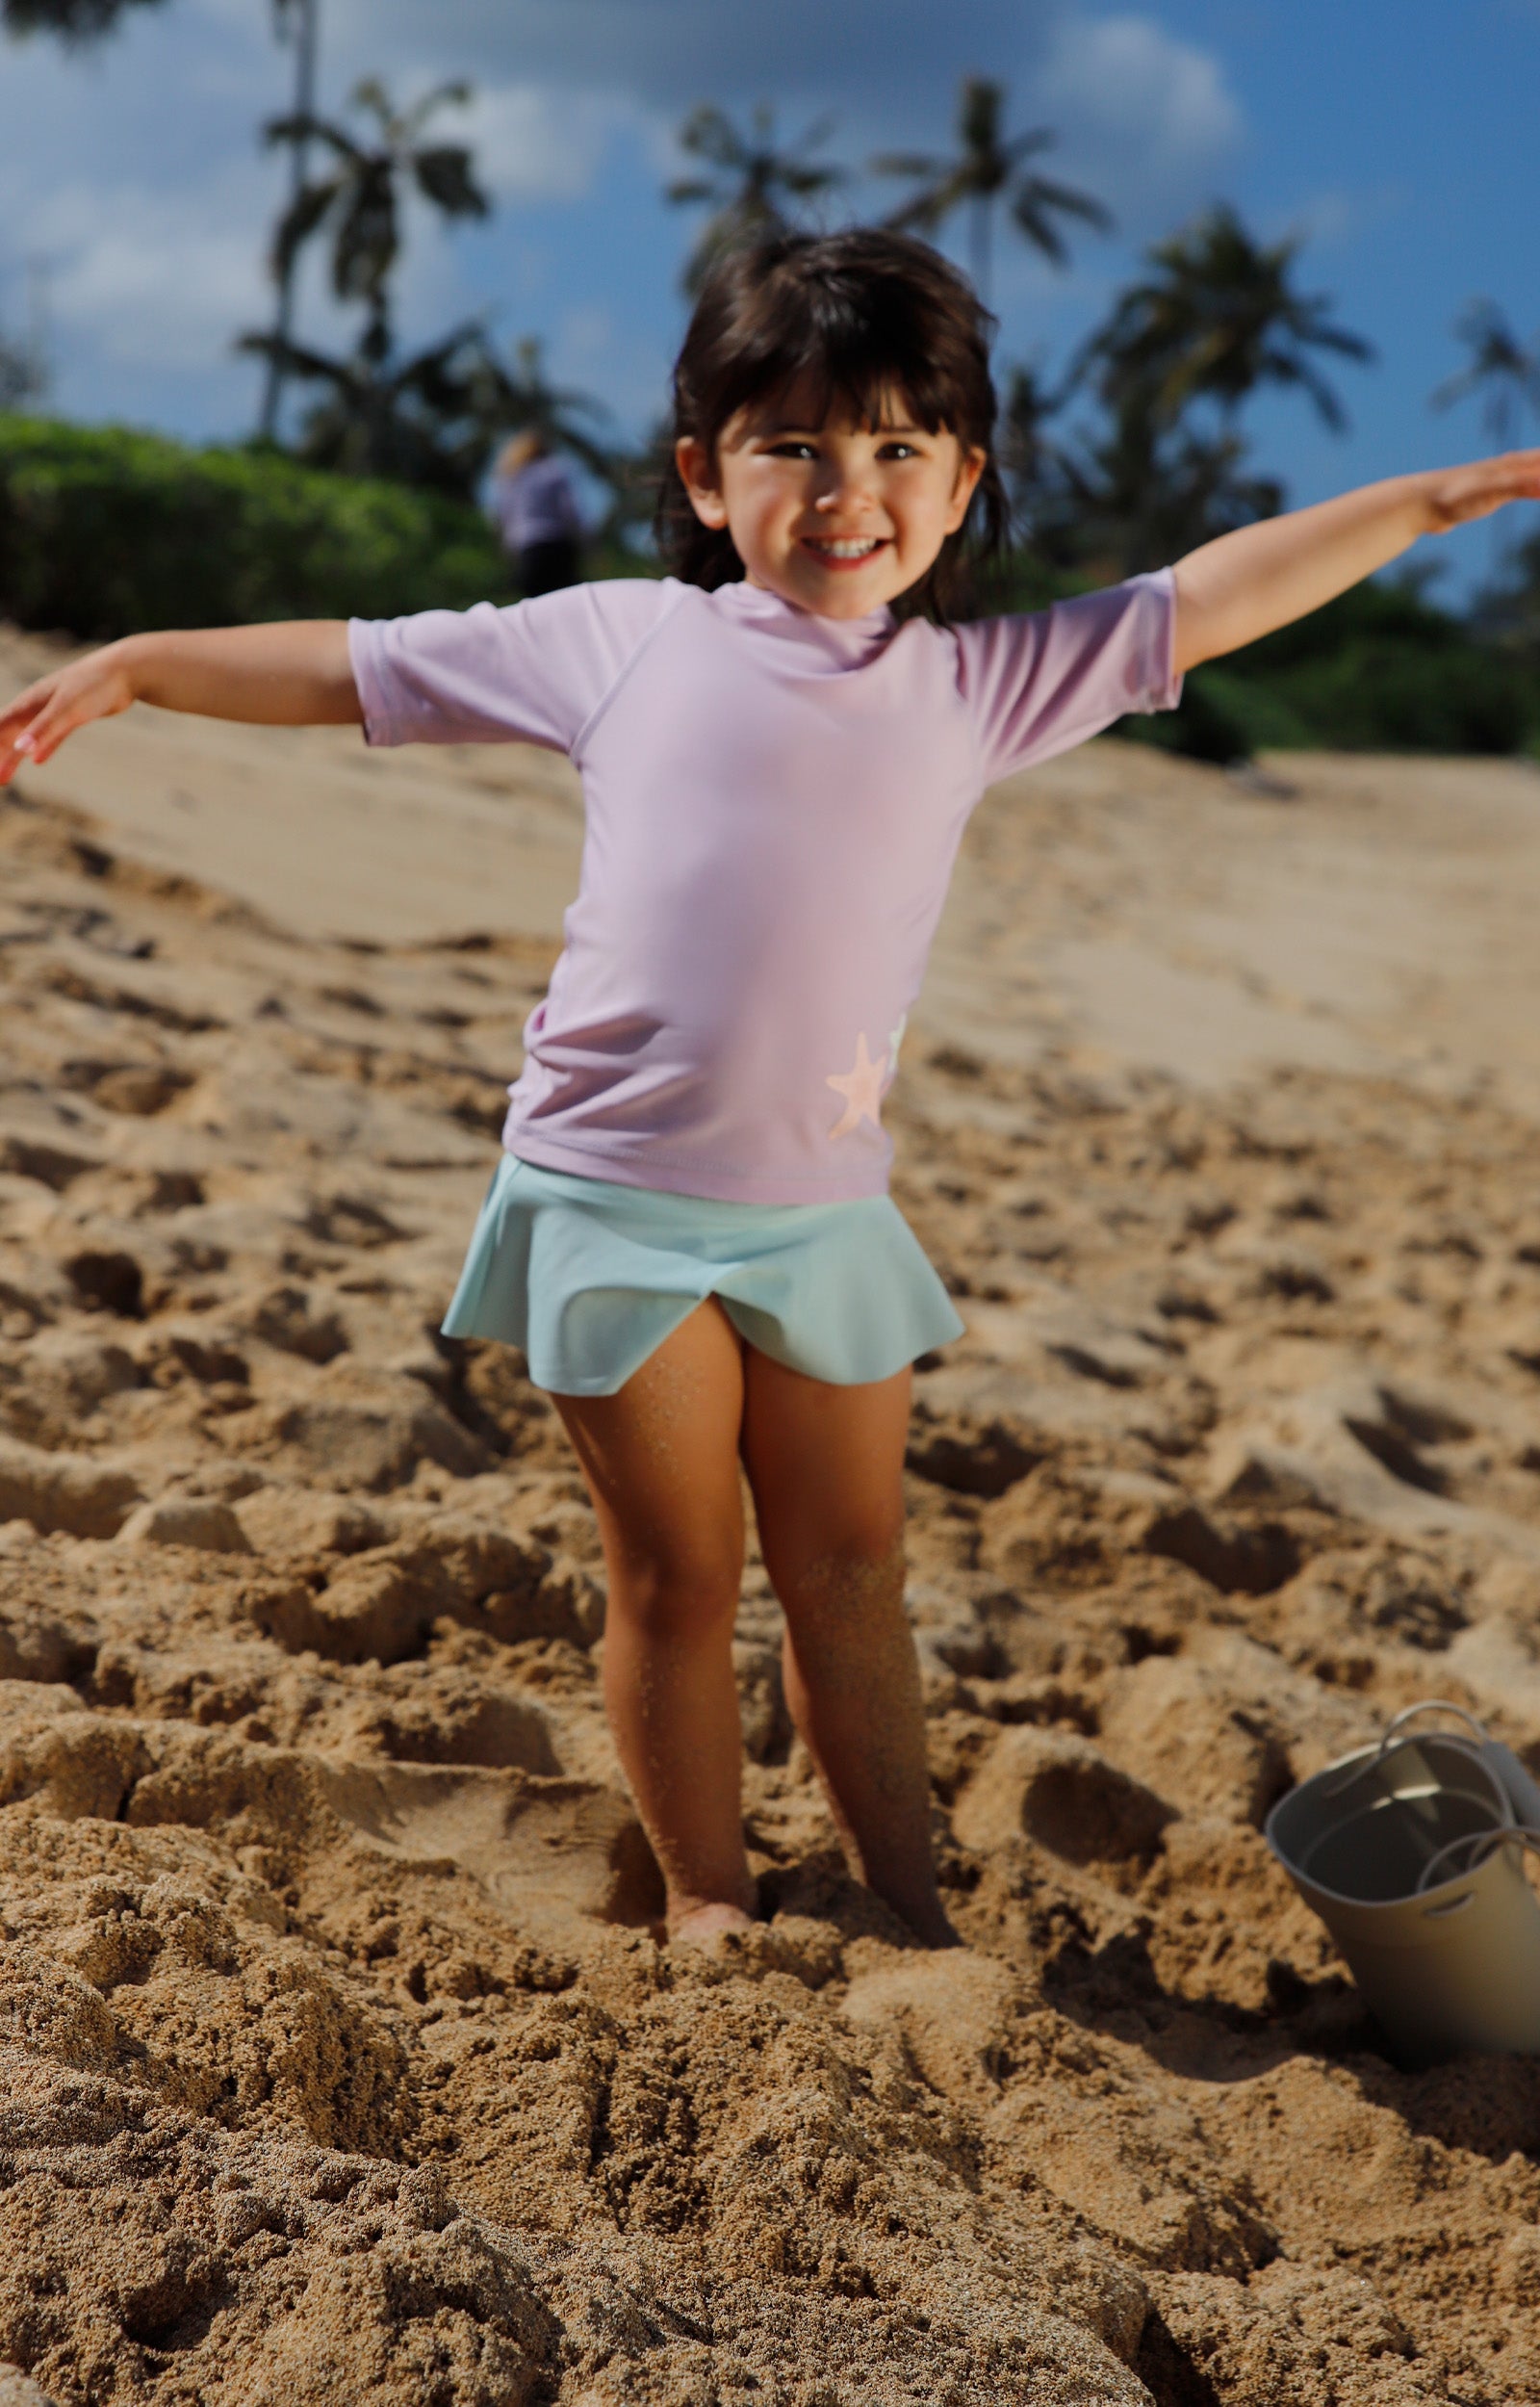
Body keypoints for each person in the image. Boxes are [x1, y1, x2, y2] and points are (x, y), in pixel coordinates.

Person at [3, 231, 1536, 1950]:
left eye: (895, 450)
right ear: (704, 475)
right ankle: (710, 1898)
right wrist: (138, 661)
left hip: (822, 1218)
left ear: (964, 484)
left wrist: (1429, 500)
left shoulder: (980, 685)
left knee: (855, 1576)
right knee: (679, 1575)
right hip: (616, 1200)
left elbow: (1213, 594)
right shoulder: (623, 641)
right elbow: (359, 665)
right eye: (792, 445)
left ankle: (906, 1902)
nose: (845, 489)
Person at [490, 429, 583, 597]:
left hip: (528, 550)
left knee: (534, 606)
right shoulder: (553, 471)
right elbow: (568, 511)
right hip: (557, 545)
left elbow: (505, 517)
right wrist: (583, 541)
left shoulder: (512, 478)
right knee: (565, 600)